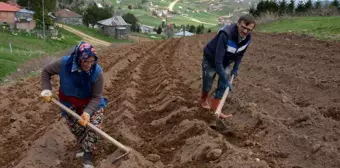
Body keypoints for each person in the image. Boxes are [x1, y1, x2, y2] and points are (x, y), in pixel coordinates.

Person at [40, 42, 107, 168]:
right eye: (85, 61)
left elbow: (97, 96)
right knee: (77, 129)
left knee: (94, 127)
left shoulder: (97, 72)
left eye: (92, 61)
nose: (89, 64)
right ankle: (83, 146)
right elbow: (46, 71)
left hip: (91, 103)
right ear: (78, 58)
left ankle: (87, 156)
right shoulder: (64, 64)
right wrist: (47, 89)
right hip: (69, 102)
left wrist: (87, 112)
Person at [200, 14, 256, 118]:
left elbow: (240, 54)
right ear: (238, 24)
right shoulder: (226, 34)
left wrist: (236, 68)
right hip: (211, 59)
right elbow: (218, 61)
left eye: (248, 29)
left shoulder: (248, 38)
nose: (245, 31)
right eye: (243, 27)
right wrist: (225, 79)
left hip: (226, 62)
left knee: (223, 86)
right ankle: (203, 100)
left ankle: (216, 110)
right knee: (208, 82)